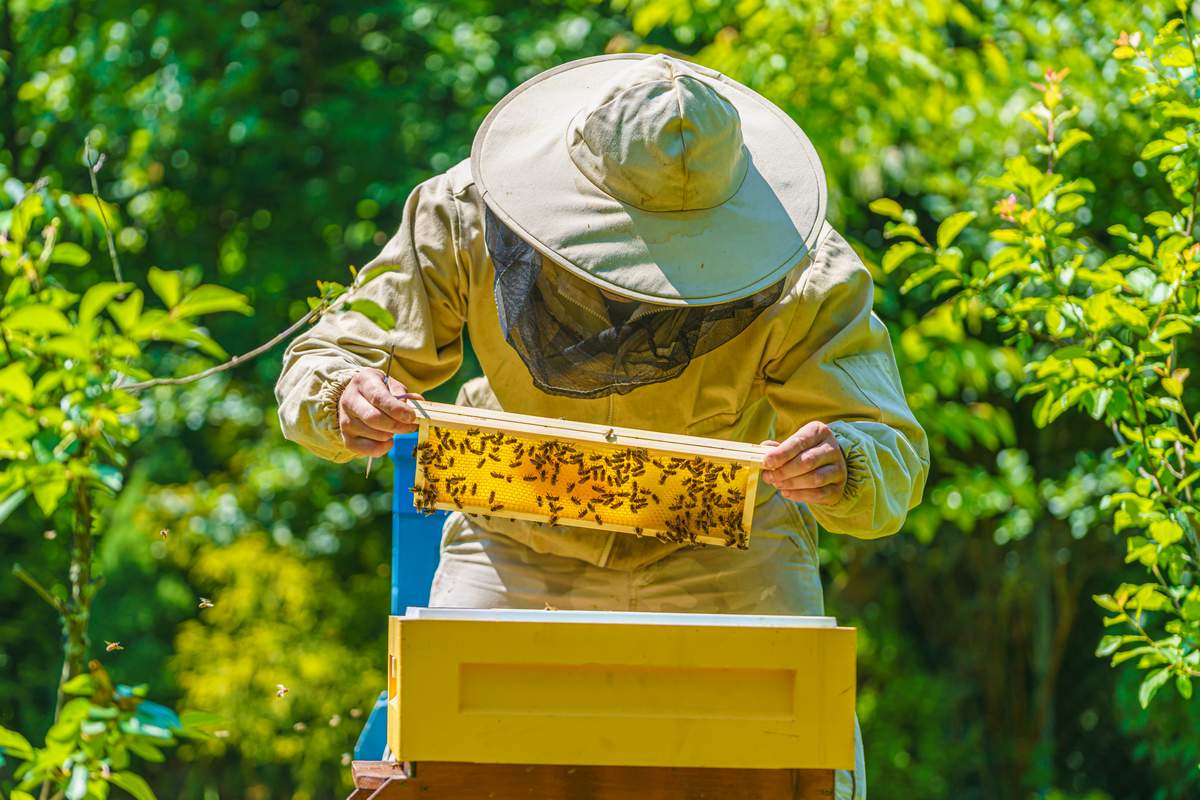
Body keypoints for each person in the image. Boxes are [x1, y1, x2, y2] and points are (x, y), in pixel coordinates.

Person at [275, 53, 928, 799]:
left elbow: (890, 448)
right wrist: (344, 394)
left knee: (800, 764)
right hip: (515, 537)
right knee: (448, 758)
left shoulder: (807, 271)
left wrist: (845, 460)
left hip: (724, 554)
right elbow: (330, 352)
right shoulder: (462, 212)